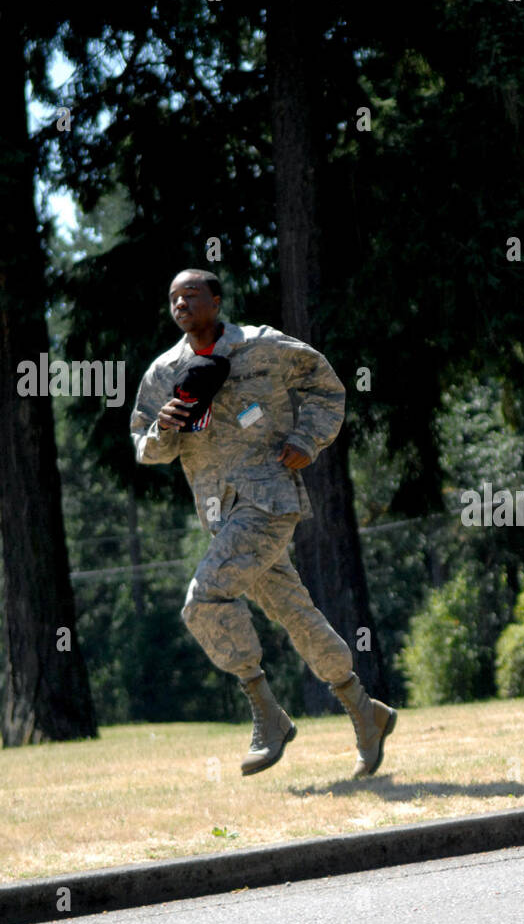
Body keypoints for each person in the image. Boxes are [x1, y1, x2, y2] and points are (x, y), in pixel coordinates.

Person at [130, 269, 396, 779]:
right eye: (173, 298)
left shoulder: (262, 346)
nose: (181, 304)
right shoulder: (164, 371)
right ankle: (365, 710)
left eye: (191, 295)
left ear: (216, 300)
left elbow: (325, 386)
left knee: (204, 600)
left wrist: (307, 440)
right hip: (220, 513)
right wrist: (165, 426)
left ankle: (266, 713)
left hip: (269, 499)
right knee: (298, 614)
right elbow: (147, 448)